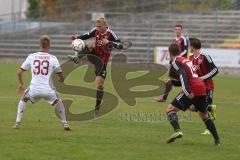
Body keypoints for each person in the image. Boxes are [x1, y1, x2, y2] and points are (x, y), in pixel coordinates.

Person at [165, 43, 220, 146]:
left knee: (170, 110)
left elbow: (183, 77)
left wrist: (187, 91)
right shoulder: (186, 60)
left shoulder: (176, 62)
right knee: (203, 115)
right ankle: (217, 141)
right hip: (201, 87)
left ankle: (177, 131)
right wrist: (172, 82)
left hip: (192, 89)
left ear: (170, 53)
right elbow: (187, 77)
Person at [12, 35, 70, 131]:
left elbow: (19, 72)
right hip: (48, 90)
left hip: (34, 89)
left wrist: (21, 84)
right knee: (58, 102)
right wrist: (61, 80)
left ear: (40, 44)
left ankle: (17, 123)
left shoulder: (32, 56)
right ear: (49, 45)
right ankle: (65, 124)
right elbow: (61, 76)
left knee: (23, 99)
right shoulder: (53, 58)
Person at [70, 17, 122, 117]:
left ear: (105, 25)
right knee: (87, 44)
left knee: (100, 86)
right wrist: (77, 37)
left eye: (99, 26)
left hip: (102, 63)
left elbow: (121, 45)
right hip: (94, 55)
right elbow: (87, 35)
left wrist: (110, 43)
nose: (97, 28)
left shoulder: (110, 34)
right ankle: (77, 58)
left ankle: (97, 109)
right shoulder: (95, 30)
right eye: (96, 26)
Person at [189, 38, 218, 135]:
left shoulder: (205, 56)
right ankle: (211, 108)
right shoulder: (190, 58)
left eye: (190, 46)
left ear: (193, 47)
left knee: (203, 110)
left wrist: (203, 78)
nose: (189, 47)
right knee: (191, 107)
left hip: (207, 86)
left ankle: (209, 129)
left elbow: (215, 70)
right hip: (197, 88)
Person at [155, 24, 189, 102]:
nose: (177, 31)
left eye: (179, 29)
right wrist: (171, 61)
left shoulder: (184, 39)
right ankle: (163, 98)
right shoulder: (174, 39)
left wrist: (178, 56)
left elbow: (186, 50)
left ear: (182, 30)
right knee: (169, 79)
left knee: (183, 80)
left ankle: (186, 97)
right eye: (176, 29)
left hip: (181, 63)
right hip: (173, 62)